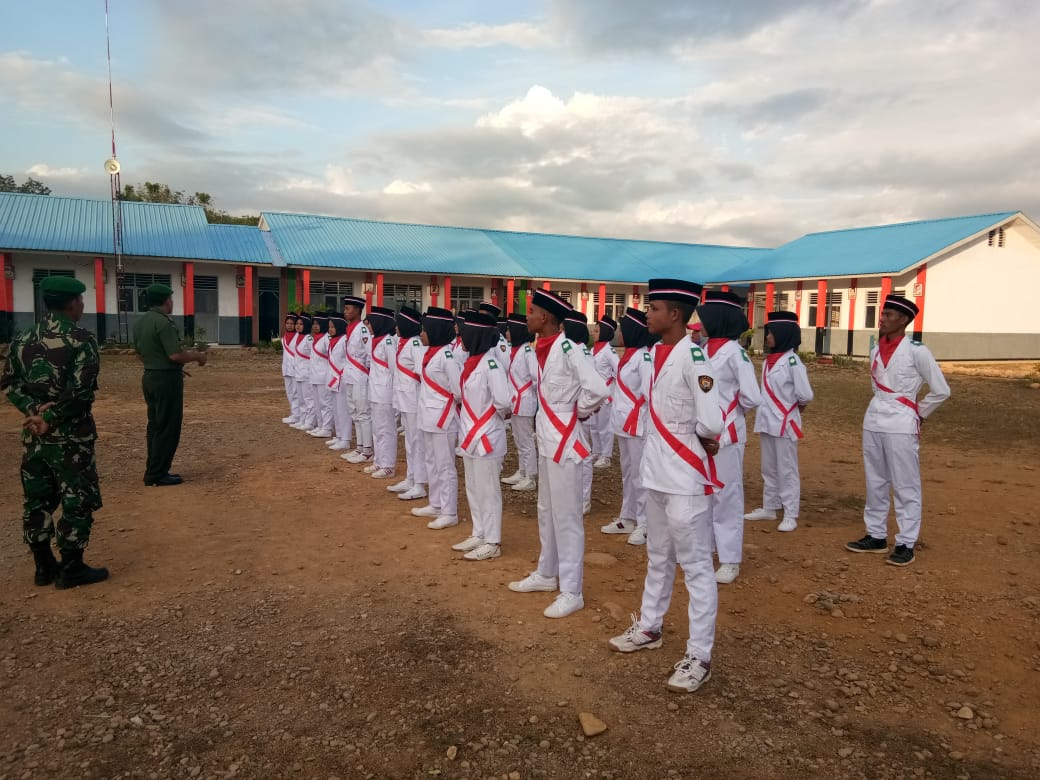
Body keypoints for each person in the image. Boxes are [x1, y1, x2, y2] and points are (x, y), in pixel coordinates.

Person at [608, 278, 724, 694]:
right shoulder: (655, 353)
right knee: (658, 554)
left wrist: (705, 436)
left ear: (675, 314)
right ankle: (651, 627)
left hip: (684, 475)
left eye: (653, 308)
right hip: (656, 469)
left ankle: (700, 655)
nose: (647, 314)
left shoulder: (695, 357)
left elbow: (712, 419)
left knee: (694, 566)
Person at [2, 276, 109, 589]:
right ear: (73, 303)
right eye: (81, 301)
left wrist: (33, 413)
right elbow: (80, 392)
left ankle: (43, 565)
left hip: (35, 437)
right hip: (71, 438)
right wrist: (50, 416)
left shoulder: (22, 338)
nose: (82, 305)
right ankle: (72, 567)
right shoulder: (80, 339)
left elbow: (9, 384)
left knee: (37, 499)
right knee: (78, 498)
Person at [507, 289, 608, 619]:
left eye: (532, 311)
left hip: (565, 439)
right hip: (548, 439)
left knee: (566, 517)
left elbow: (597, 388)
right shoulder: (541, 348)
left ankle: (572, 590)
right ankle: (547, 574)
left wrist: (578, 412)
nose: (528, 317)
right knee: (546, 509)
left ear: (546, 318)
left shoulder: (568, 348)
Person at [846, 294, 950, 567]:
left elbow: (941, 390)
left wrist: (920, 412)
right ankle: (876, 535)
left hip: (902, 421)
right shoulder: (875, 348)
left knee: (905, 484)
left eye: (889, 315)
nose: (882, 319)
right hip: (874, 417)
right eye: (882, 314)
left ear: (903, 320)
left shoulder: (917, 351)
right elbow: (877, 387)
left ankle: (906, 542)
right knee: (875, 479)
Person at [697, 290, 761, 584]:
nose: (701, 322)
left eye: (706, 316)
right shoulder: (705, 349)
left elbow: (751, 396)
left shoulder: (736, 353)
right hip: (703, 432)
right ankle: (706, 547)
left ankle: (730, 559)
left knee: (727, 496)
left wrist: (727, 416)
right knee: (705, 492)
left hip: (727, 434)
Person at [451, 311, 513, 560]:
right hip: (470, 434)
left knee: (489, 490)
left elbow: (504, 401)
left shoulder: (491, 364)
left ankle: (493, 541)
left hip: (486, 436)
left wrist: (485, 422)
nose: (461, 336)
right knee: (473, 486)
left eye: (465, 332)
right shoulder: (472, 362)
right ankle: (478, 532)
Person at [132, 283, 207, 486]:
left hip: (150, 376)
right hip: (166, 382)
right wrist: (198, 356)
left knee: (155, 425)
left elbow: (139, 353)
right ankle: (157, 474)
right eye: (171, 299)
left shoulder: (141, 323)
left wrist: (162, 367)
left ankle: (154, 469)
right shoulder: (164, 323)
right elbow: (175, 354)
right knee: (168, 427)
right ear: (167, 301)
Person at [745, 311, 814, 532]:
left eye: (771, 333)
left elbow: (805, 395)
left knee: (787, 469)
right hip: (767, 420)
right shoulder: (769, 361)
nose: (768, 338)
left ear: (783, 334)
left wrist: (790, 412)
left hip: (784, 422)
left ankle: (791, 512)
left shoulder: (793, 362)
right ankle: (770, 506)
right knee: (768, 467)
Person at [601, 307, 653, 545]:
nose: (619, 332)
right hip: (623, 423)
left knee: (641, 474)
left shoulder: (644, 357)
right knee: (627, 473)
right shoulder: (629, 355)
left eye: (623, 328)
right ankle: (627, 516)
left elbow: (649, 394)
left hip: (637, 424)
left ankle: (645, 523)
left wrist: (636, 415)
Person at [411, 306, 462, 529]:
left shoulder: (447, 356)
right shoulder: (429, 352)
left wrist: (444, 408)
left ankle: (450, 511)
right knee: (431, 460)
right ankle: (436, 503)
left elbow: (458, 390)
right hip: (427, 415)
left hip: (443, 417)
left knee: (445, 465)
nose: (421, 334)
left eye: (424, 330)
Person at [388, 306, 428, 500]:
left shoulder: (415, 345)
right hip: (404, 399)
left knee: (416, 442)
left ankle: (420, 483)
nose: (396, 327)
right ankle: (411, 478)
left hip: (413, 399)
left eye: (399, 323)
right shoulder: (403, 343)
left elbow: (422, 372)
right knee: (409, 441)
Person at [563, 310, 596, 515]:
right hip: (571, 414)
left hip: (580, 414)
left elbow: (591, 387)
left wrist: (582, 411)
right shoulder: (572, 351)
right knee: (573, 455)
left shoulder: (582, 354)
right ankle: (574, 496)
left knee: (583, 456)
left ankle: (584, 499)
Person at [502, 313, 539, 493]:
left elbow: (536, 377)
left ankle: (530, 476)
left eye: (509, 329)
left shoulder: (527, 351)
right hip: (516, 400)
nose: (507, 332)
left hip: (524, 401)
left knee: (526, 440)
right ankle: (522, 470)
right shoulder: (515, 350)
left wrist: (525, 392)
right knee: (518, 439)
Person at [339, 296, 374, 464]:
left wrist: (364, 372)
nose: (345, 311)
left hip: (360, 375)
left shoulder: (362, 329)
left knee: (363, 412)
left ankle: (367, 451)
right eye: (345, 308)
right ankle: (360, 447)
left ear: (358, 310)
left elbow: (369, 355)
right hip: (350, 375)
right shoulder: (350, 328)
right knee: (354, 412)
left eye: (348, 308)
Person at [366, 306, 399, 479]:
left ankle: (388, 465)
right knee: (377, 428)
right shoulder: (376, 340)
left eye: (371, 323)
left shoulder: (387, 342)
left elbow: (394, 369)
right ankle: (378, 460)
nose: (368, 326)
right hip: (375, 391)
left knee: (386, 429)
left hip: (385, 392)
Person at [590, 315, 619, 469]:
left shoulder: (609, 351)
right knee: (594, 426)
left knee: (605, 426)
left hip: (605, 395)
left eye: (596, 330)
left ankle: (606, 455)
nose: (593, 333)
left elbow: (618, 369)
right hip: (594, 394)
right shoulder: (593, 349)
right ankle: (596, 450)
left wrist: (609, 385)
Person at [325, 313, 353, 451]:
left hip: (341, 378)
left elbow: (348, 359)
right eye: (329, 327)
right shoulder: (333, 340)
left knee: (343, 410)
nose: (330, 329)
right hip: (333, 378)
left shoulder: (344, 340)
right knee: (335, 408)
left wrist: (341, 374)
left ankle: (346, 439)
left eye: (333, 326)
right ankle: (339, 435)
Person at [306, 312, 334, 438]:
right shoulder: (316, 338)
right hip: (314, 375)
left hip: (324, 376)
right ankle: (321, 425)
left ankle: (327, 427)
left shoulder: (327, 338)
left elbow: (332, 356)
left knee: (325, 403)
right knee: (317, 402)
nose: (315, 326)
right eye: (314, 324)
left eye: (318, 324)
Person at [289, 313, 314, 431]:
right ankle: (302, 419)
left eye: (301, 324)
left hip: (307, 373)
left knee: (308, 399)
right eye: (297, 324)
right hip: (298, 373)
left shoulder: (309, 338)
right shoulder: (297, 337)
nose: (298, 326)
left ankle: (310, 422)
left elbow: (314, 356)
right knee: (301, 399)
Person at [280, 312, 300, 425]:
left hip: (296, 370)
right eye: (287, 323)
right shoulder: (284, 338)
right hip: (287, 369)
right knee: (289, 392)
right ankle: (293, 413)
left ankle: (297, 415)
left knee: (296, 393)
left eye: (292, 323)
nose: (289, 325)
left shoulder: (298, 337)